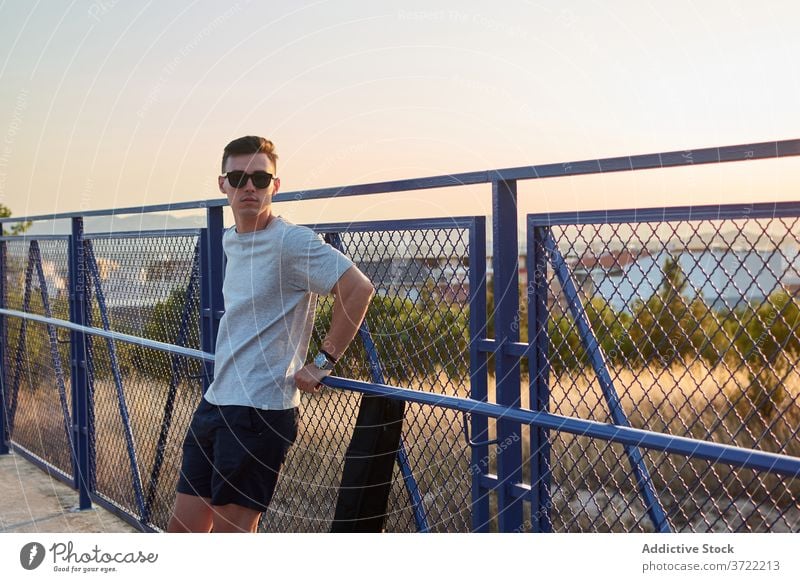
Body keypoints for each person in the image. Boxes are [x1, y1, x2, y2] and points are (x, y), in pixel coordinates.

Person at [167, 136, 375, 533]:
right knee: (182, 532)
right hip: (216, 401)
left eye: (260, 178)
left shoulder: (290, 242)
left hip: (259, 412)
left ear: (275, 186)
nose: (249, 187)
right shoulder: (231, 238)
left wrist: (323, 361)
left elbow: (358, 288)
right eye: (239, 177)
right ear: (222, 184)